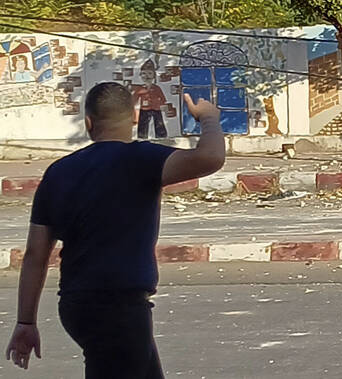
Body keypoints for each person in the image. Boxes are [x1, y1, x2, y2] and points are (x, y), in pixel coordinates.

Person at [6, 84, 227, 376]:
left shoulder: (58, 172)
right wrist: (209, 118)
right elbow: (211, 157)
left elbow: (36, 254)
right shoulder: (142, 159)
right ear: (135, 117)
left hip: (76, 304)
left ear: (88, 122)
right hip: (119, 308)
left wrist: (26, 322)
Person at [131, 61, 168, 140]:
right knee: (143, 124)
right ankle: (142, 137)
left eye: (149, 74)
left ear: (153, 76)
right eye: (144, 73)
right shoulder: (140, 88)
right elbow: (135, 99)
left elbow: (162, 98)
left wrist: (164, 105)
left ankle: (161, 136)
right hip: (144, 109)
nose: (146, 76)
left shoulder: (156, 88)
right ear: (141, 75)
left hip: (156, 108)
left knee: (159, 123)